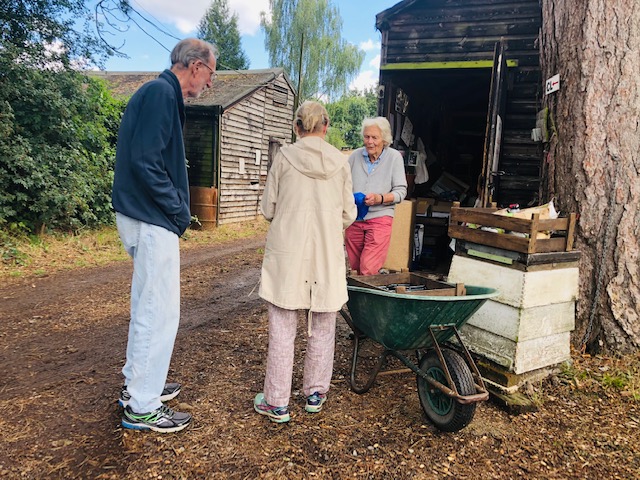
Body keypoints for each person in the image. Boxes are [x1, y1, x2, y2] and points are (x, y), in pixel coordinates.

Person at [111, 38, 218, 433]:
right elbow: (145, 161)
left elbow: (144, 158)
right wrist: (178, 209)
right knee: (159, 313)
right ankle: (142, 404)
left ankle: (137, 386)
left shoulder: (160, 92)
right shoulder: (160, 93)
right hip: (151, 217)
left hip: (143, 214)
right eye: (210, 73)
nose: (209, 84)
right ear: (194, 66)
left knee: (146, 307)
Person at [254, 101, 357, 423]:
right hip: (325, 253)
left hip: (288, 253)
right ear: (325, 126)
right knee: (324, 326)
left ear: (297, 127)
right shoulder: (341, 163)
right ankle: (315, 393)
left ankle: (277, 401)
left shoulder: (283, 158)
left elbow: (269, 209)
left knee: (283, 327)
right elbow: (348, 213)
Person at [345, 117, 407, 275]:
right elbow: (342, 185)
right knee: (354, 269)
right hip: (355, 218)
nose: (369, 142)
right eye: (366, 137)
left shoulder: (394, 158)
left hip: (380, 217)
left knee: (368, 269)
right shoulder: (354, 157)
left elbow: (401, 191)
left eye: (374, 137)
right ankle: (357, 299)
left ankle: (366, 299)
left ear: (384, 139)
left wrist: (380, 198)